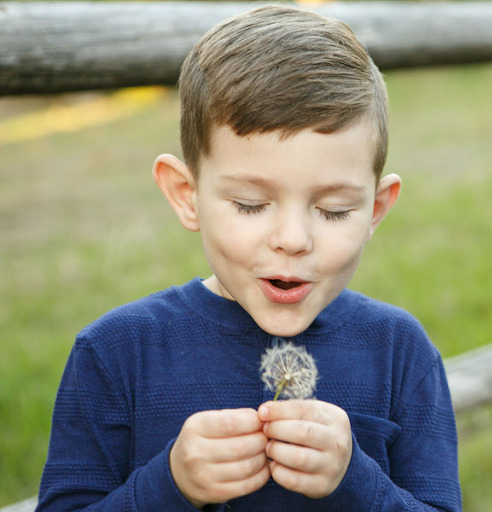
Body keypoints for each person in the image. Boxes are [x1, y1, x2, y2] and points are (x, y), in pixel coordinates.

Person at [36, 5, 462, 511]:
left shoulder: (399, 352)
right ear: (186, 194)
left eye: (334, 210)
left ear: (375, 209)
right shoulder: (115, 354)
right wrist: (169, 486)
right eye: (250, 205)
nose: (292, 238)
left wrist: (355, 480)